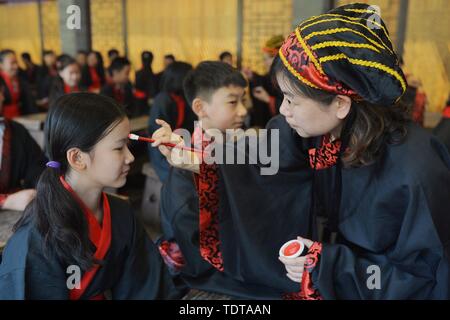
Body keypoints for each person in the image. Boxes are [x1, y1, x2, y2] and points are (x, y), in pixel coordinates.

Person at [153, 3, 450, 299]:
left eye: (292, 100)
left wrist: (328, 265)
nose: (283, 110)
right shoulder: (315, 132)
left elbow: (421, 278)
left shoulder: (416, 172)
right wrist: (199, 158)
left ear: (340, 104)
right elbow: (261, 153)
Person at [0, 92, 184, 299]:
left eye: (128, 146)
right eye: (118, 148)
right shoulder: (35, 240)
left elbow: (146, 289)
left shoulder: (121, 214)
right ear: (77, 158)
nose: (130, 157)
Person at [155, 61, 278, 298]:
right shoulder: (185, 172)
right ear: (200, 107)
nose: (243, 110)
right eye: (233, 102)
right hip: (208, 273)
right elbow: (196, 253)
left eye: (244, 100)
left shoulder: (239, 147)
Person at [0, 81, 46, 212]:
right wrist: (6, 201)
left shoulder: (16, 130)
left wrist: (43, 188)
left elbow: (37, 166)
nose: (2, 97)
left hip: (16, 212)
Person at [148, 61, 196, 182]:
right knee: (177, 174)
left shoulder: (182, 98)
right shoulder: (162, 100)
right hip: (161, 147)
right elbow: (157, 131)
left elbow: (190, 125)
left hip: (179, 142)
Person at [242, 35, 284, 128]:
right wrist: (252, 76)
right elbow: (265, 80)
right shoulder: (271, 76)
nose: (265, 63)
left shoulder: (286, 79)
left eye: (267, 59)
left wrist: (268, 100)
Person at [0, 49, 37, 119]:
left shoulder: (20, 79)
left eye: (16, 62)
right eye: (12, 63)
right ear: (1, 65)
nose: (16, 66)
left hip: (20, 119)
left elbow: (29, 102)